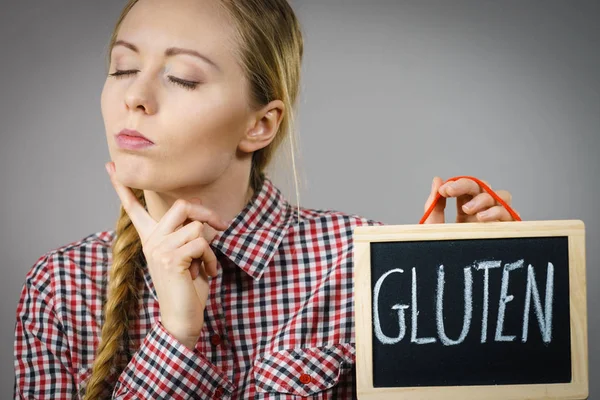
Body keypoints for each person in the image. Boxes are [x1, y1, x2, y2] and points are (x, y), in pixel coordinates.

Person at [13, 0, 517, 398]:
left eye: (182, 77)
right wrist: (175, 336)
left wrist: (470, 319)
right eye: (123, 68)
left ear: (260, 124)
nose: (135, 97)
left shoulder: (363, 265)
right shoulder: (60, 289)